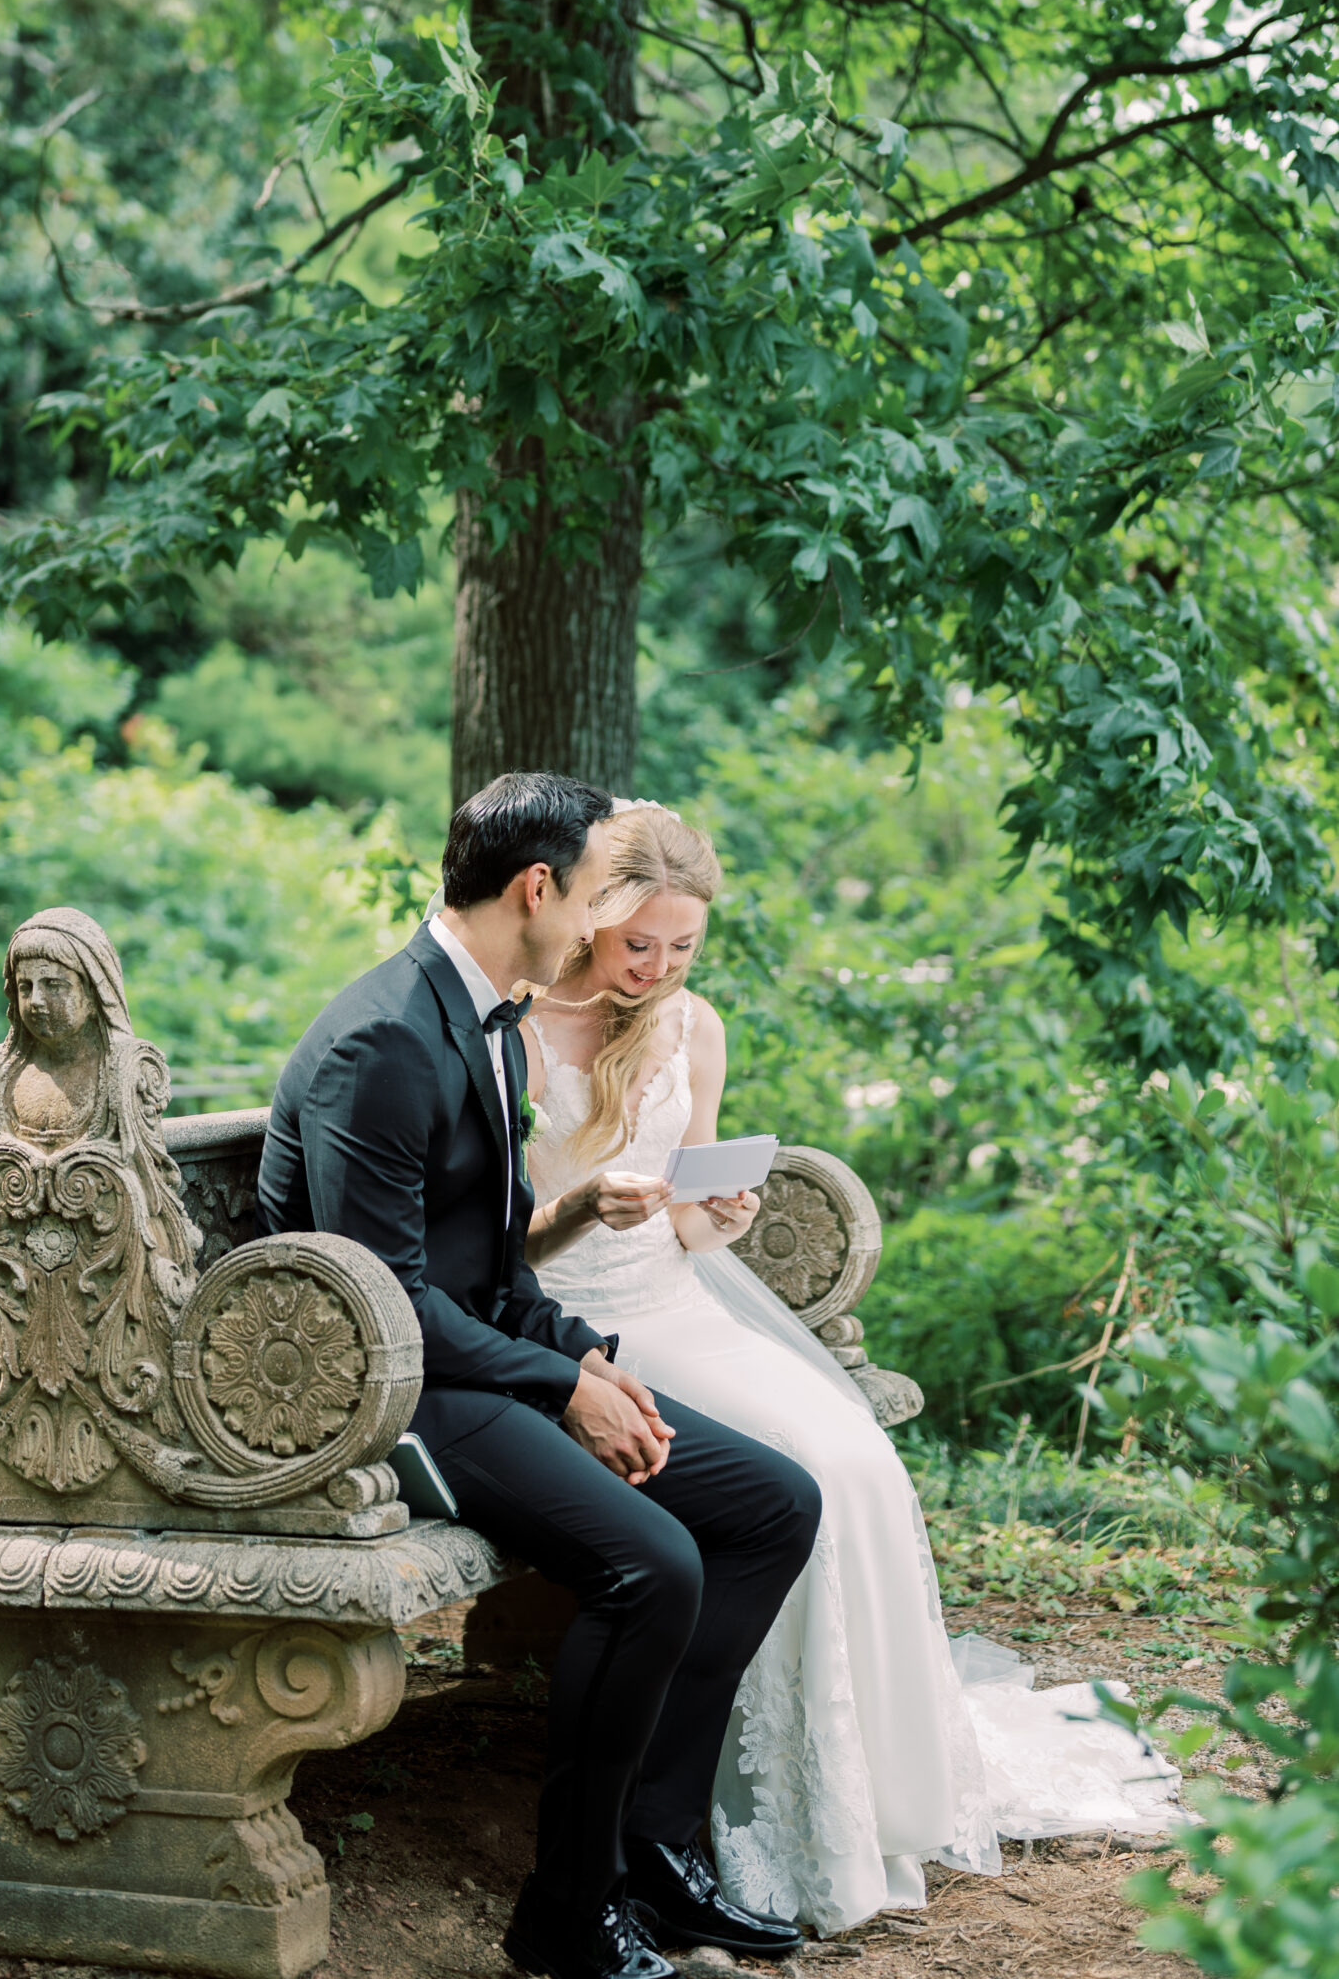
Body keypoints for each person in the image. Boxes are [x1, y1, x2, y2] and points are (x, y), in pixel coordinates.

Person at [521, 802, 1186, 1939]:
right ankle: (728, 1818)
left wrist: (716, 1212)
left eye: (683, 947)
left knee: (851, 1456)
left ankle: (863, 1789)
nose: (659, 968)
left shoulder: (692, 1028)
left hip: (676, 1300)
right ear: (593, 913)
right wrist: (584, 1209)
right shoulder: (514, 1026)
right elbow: (490, 1240)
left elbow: (680, 1226)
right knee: (789, 1478)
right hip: (567, 1319)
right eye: (642, 943)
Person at [257, 772, 823, 1979]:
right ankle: (566, 1910)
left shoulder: (482, 1015)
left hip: (468, 1365)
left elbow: (491, 1262)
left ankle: (655, 1852)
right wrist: (559, 1387)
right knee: (648, 1563)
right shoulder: (385, 1037)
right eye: (586, 900)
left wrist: (580, 1357)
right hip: (382, 1397)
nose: (592, 932)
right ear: (534, 888)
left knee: (772, 1503)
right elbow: (388, 1300)